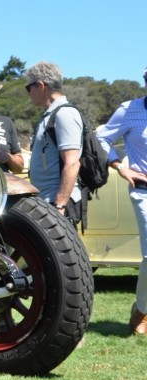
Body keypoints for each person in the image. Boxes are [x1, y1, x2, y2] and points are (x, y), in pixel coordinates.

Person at [96, 66, 147, 335]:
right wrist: (120, 165)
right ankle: (141, 309)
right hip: (143, 190)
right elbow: (101, 138)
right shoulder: (130, 109)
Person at [24, 61, 84, 228]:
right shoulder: (50, 115)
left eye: (29, 88)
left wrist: (59, 206)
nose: (28, 93)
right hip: (47, 203)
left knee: (61, 255)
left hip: (57, 204)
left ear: (41, 86)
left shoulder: (64, 114)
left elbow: (72, 162)